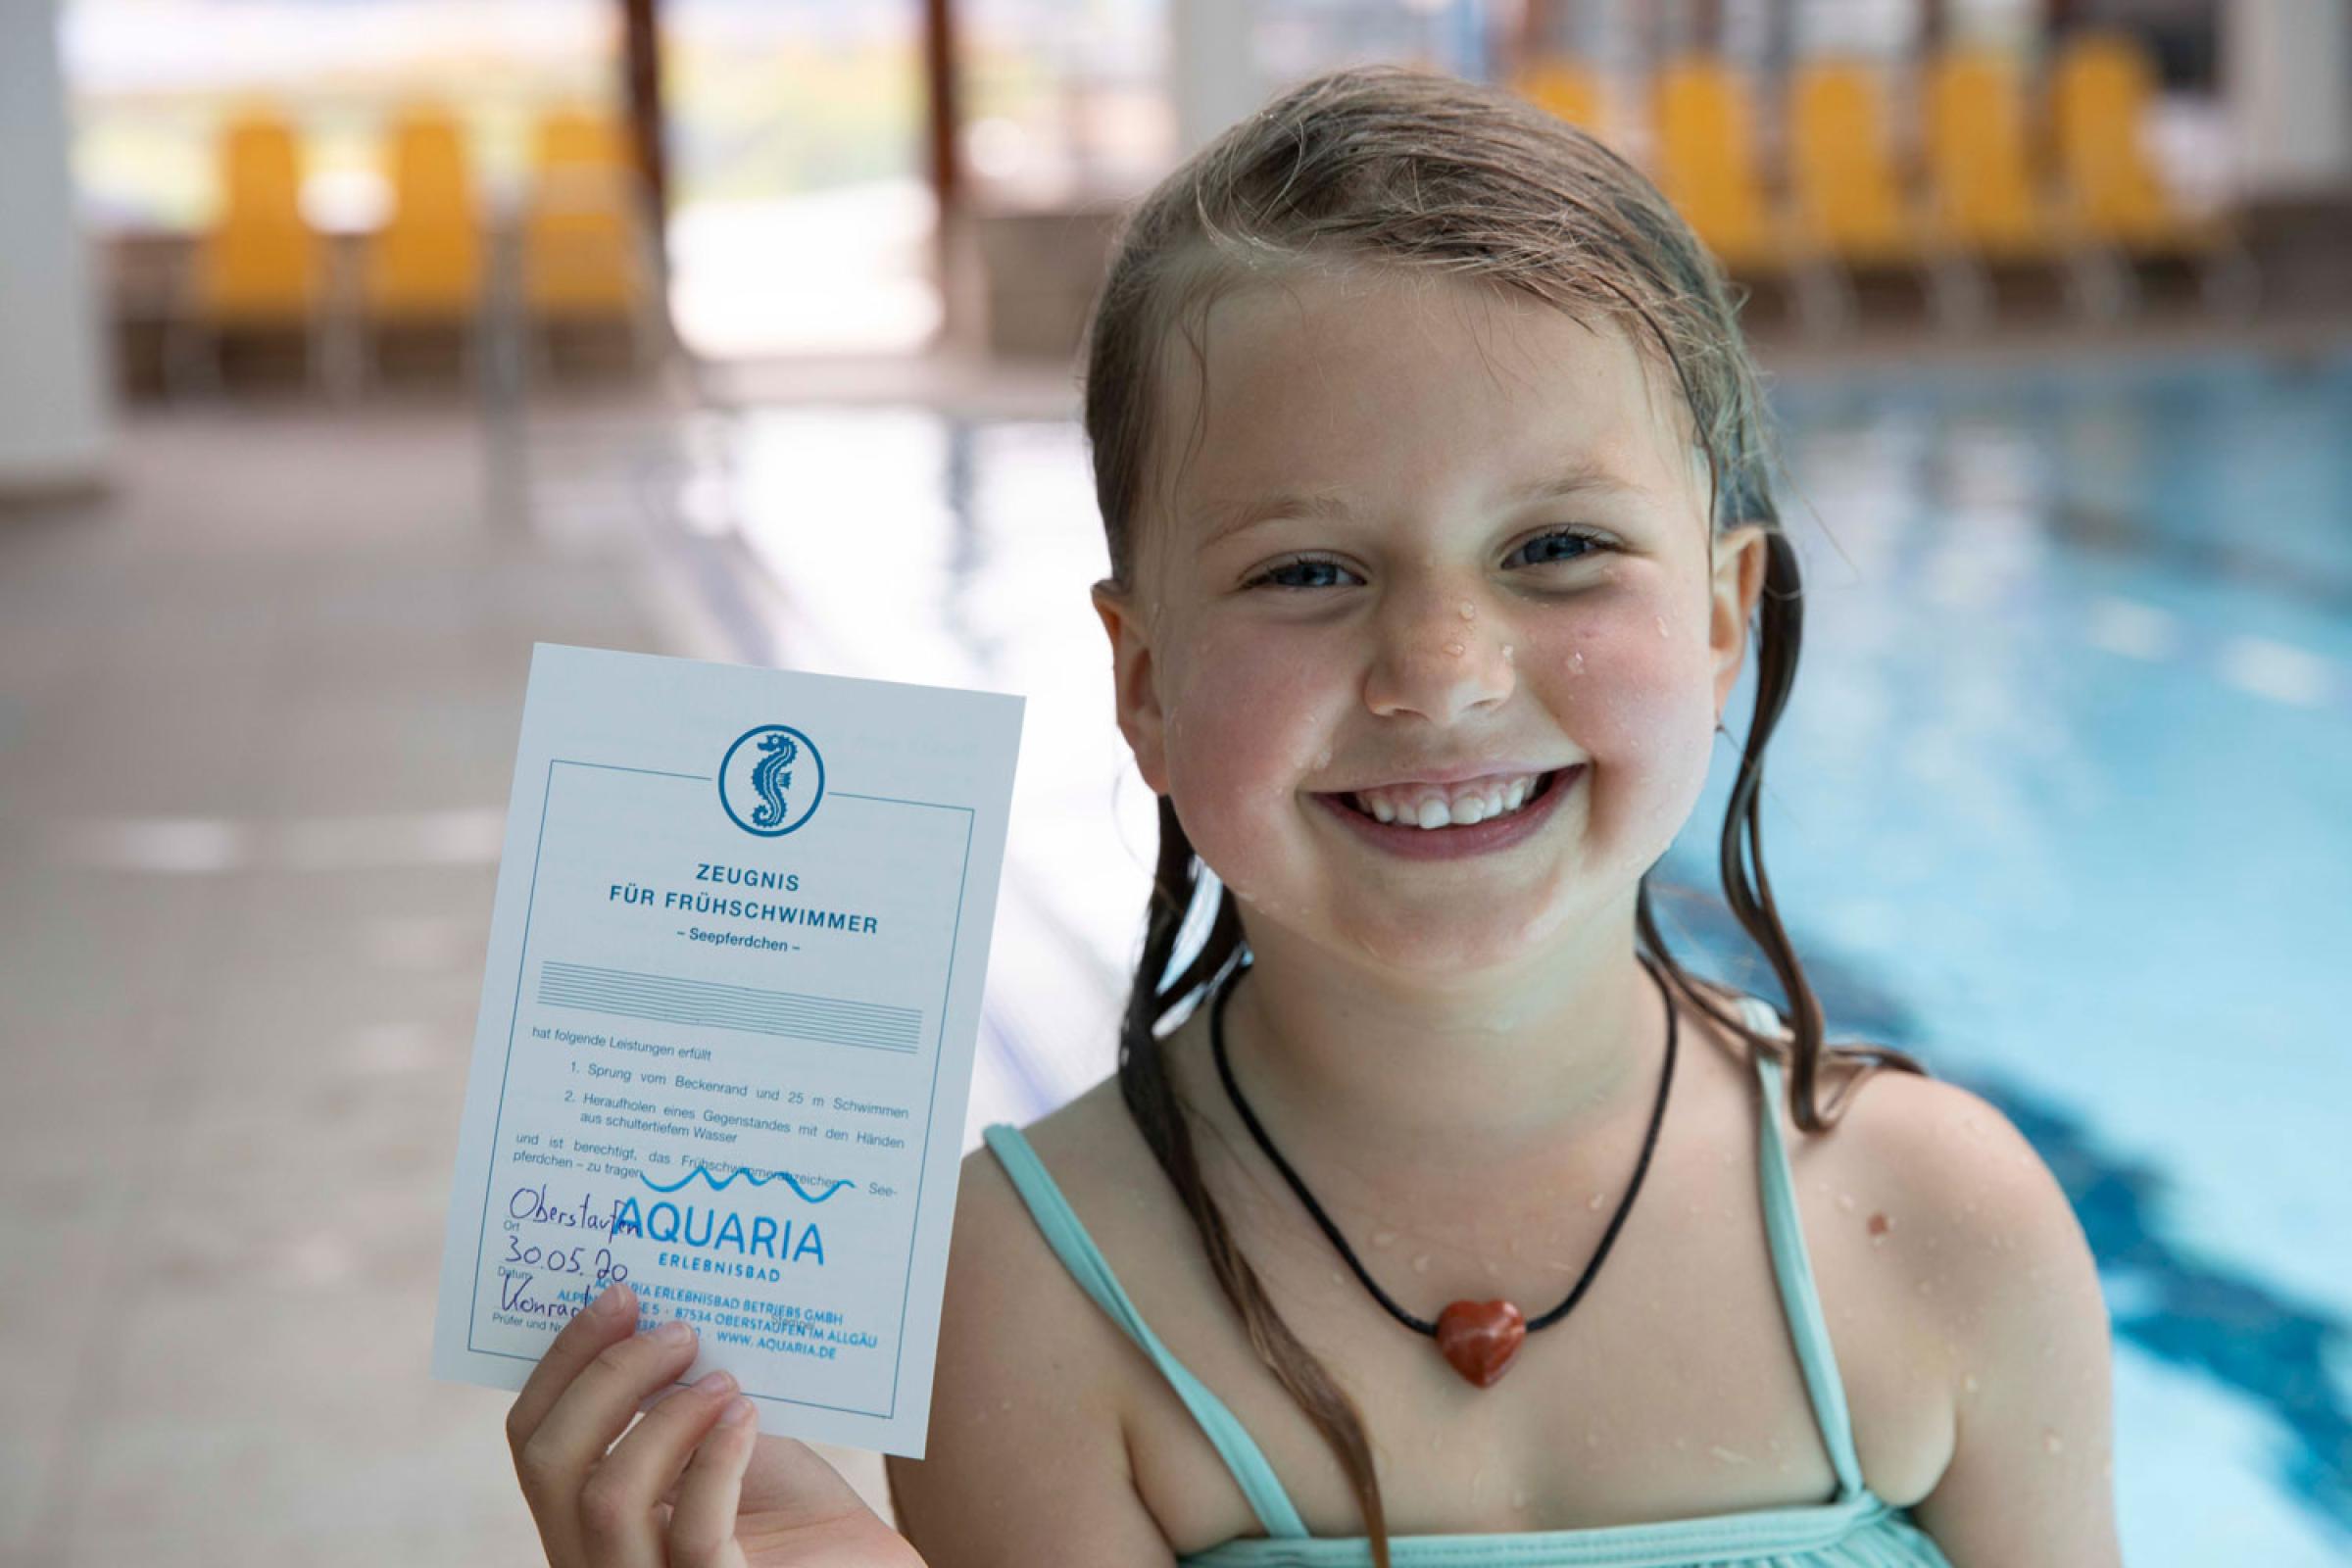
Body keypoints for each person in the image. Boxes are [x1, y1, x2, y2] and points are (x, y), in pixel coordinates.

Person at [505, 63, 2122, 1568]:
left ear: (1721, 618)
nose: (1439, 670)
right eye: (1307, 572)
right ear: (1140, 683)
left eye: (1556, 546)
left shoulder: (1938, 1227)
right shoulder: (1033, 1296)